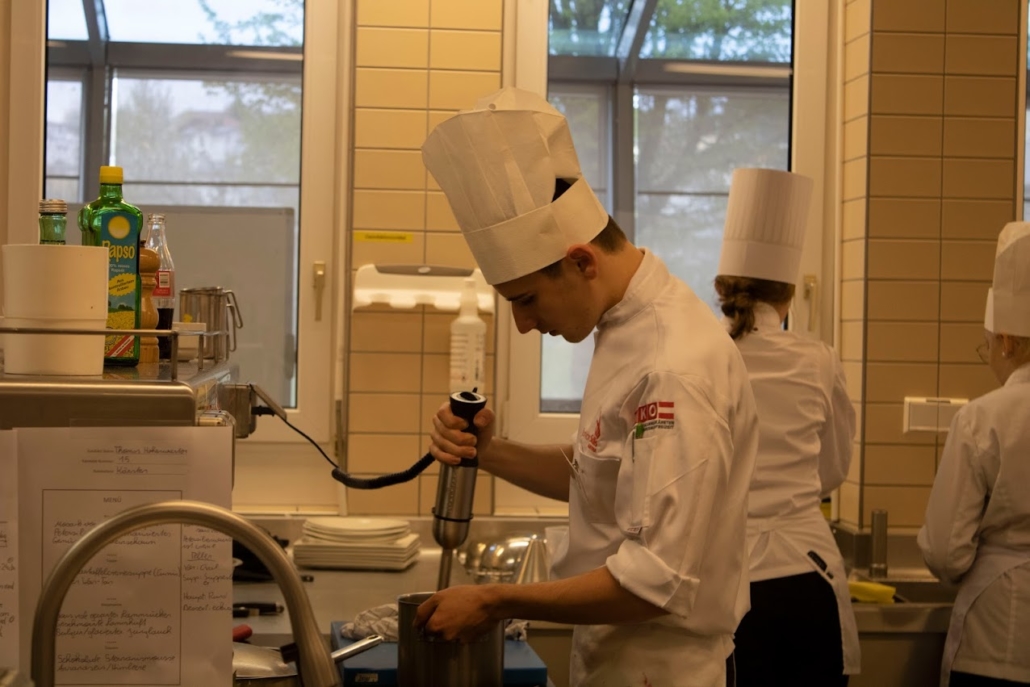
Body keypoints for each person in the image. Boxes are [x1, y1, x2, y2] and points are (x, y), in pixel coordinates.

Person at [417, 87, 760, 686]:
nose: (523, 324)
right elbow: (602, 480)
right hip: (618, 660)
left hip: (665, 672)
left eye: (527, 299)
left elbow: (655, 582)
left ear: (581, 261)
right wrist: (488, 452)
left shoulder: (672, 366)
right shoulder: (624, 325)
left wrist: (497, 600)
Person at [712, 168, 860, 686]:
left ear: (722, 286)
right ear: (790, 294)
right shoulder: (818, 359)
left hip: (728, 581)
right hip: (807, 572)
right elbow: (832, 469)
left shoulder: (700, 356)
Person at [918, 222, 1030, 687]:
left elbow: (946, 552)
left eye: (987, 344)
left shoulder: (984, 418)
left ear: (1006, 341)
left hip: (999, 638)